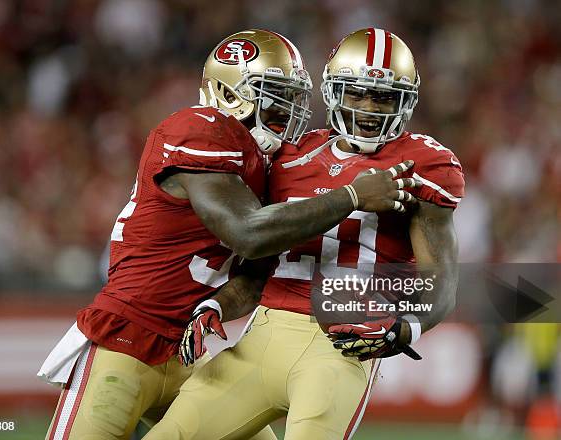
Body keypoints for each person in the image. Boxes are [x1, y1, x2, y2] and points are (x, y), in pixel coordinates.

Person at [40, 29, 418, 440]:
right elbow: (247, 235)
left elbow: (257, 273)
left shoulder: (265, 162)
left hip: (188, 352)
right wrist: (351, 195)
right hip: (127, 341)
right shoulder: (199, 130)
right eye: (275, 94)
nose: (288, 108)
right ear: (229, 92)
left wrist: (218, 306)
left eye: (293, 96)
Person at [146, 27, 465, 440]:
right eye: (356, 92)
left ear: (405, 102)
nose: (368, 107)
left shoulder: (422, 165)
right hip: (262, 336)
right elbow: (258, 266)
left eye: (384, 96)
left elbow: (441, 279)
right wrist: (218, 306)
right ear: (333, 91)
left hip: (338, 348)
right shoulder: (291, 156)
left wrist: (403, 329)